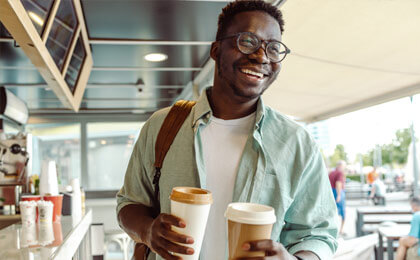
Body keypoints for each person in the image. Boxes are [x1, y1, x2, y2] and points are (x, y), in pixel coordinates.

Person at [116, 1, 338, 259]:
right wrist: (147, 230)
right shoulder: (163, 126)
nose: (261, 56)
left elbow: (318, 235)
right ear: (216, 50)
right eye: (247, 41)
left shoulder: (296, 142)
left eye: (273, 48)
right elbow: (129, 204)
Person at [329, 160, 346, 235]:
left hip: (331, 193)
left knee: (333, 212)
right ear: (341, 166)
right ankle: (341, 230)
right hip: (338, 192)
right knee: (342, 212)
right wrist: (339, 195)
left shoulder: (331, 173)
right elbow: (338, 183)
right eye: (344, 166)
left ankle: (333, 229)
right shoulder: (340, 173)